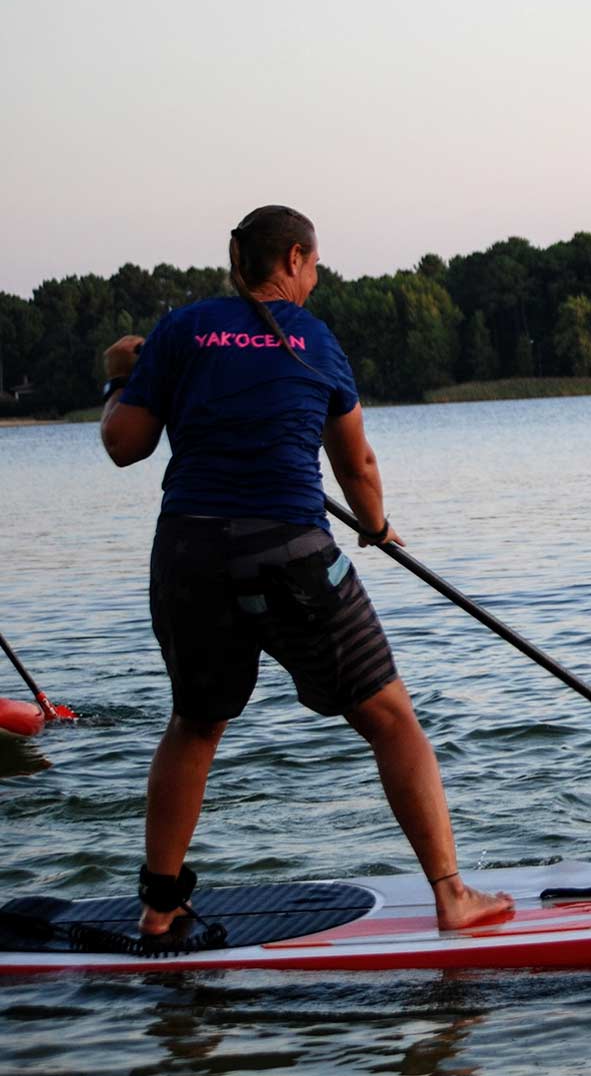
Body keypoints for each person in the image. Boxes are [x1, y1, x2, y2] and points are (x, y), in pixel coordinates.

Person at [98, 205, 511, 936]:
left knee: (195, 725)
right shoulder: (315, 339)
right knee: (390, 719)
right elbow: (357, 464)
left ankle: (159, 910)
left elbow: (125, 444)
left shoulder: (181, 330)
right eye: (315, 265)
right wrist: (377, 529)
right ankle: (452, 896)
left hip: (188, 554)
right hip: (290, 549)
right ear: (291, 258)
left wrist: (120, 378)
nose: (316, 278)